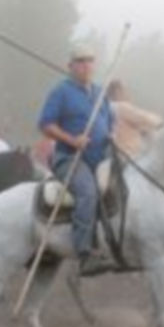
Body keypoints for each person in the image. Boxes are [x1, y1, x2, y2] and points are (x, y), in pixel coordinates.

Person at [38, 45, 115, 275]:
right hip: (69, 158)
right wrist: (72, 140)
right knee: (88, 191)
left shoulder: (101, 93)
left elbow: (110, 122)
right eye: (80, 61)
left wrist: (111, 135)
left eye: (90, 61)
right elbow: (45, 124)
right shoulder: (60, 92)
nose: (86, 65)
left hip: (101, 158)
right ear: (70, 66)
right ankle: (85, 253)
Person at [107, 80, 163, 156]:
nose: (128, 94)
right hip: (130, 153)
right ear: (118, 92)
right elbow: (146, 119)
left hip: (118, 152)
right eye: (125, 90)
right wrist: (160, 121)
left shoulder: (109, 108)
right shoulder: (121, 106)